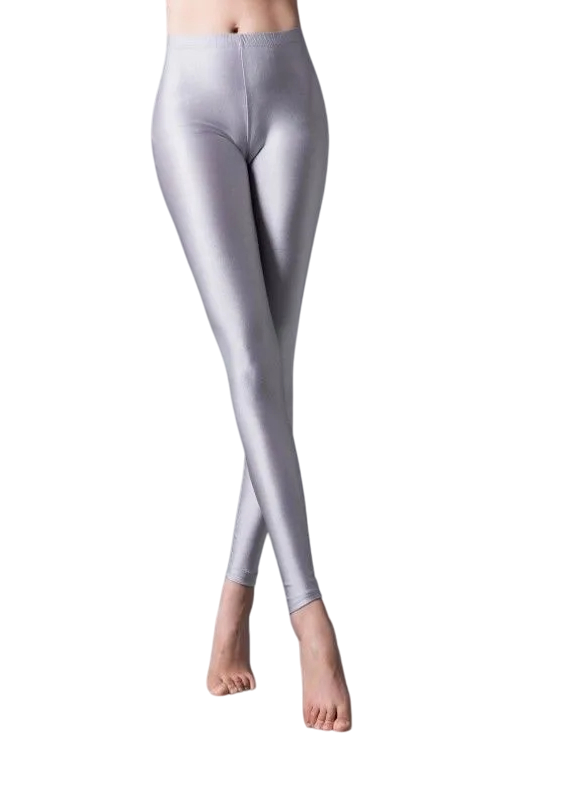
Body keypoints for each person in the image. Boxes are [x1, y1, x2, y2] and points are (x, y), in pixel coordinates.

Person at [151, 0, 352, 732]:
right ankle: (309, 614)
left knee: (273, 365)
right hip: (193, 103)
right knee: (250, 359)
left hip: (289, 85)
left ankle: (235, 598)